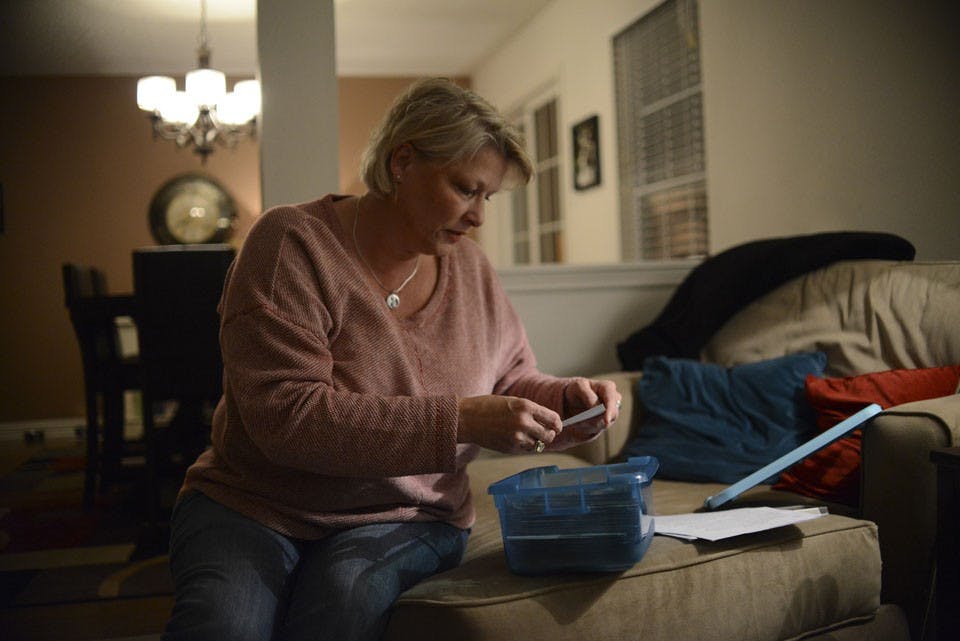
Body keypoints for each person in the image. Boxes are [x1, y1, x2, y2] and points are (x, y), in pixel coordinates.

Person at [163, 77, 621, 641]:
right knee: (223, 627)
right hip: (255, 504)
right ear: (402, 161)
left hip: (407, 517)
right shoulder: (292, 245)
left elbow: (511, 377)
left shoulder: (471, 269)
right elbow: (287, 417)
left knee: (340, 607)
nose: (479, 216)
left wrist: (566, 398)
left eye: (488, 197)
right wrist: (460, 420)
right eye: (465, 188)